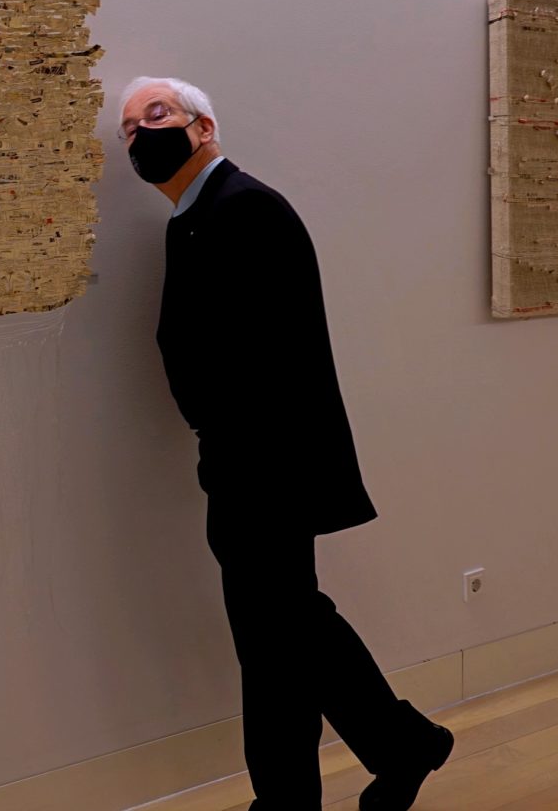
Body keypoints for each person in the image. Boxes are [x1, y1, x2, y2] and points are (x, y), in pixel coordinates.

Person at [119, 76, 454, 811]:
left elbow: (275, 354)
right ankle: (379, 756)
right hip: (238, 461)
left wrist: (234, 448)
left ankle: (368, 761)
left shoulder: (246, 207)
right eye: (130, 129)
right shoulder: (194, 216)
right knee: (278, 634)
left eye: (157, 114)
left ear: (204, 127)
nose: (142, 134)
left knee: (282, 629)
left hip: (267, 465)